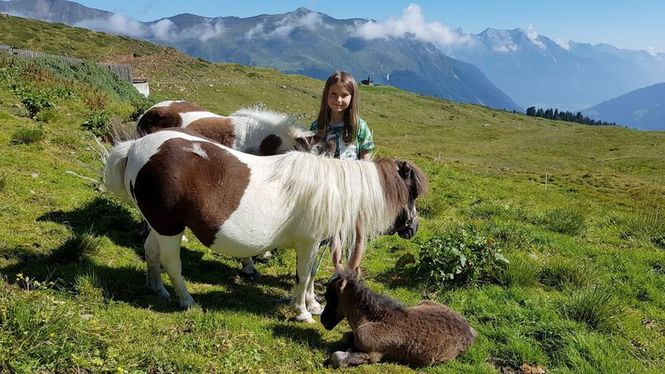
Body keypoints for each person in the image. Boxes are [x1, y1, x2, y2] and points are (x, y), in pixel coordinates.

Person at [311, 71, 375, 273]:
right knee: (334, 230)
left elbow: (366, 156)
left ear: (352, 97)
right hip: (330, 188)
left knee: (358, 231)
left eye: (344, 95)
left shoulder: (359, 127)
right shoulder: (319, 126)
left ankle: (352, 271)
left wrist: (364, 186)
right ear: (326, 96)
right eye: (333, 94)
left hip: (355, 187)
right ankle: (338, 269)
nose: (338, 100)